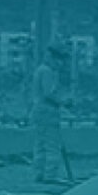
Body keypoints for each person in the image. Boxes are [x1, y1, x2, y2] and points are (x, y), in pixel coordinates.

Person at [30, 47, 72, 184]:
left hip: (39, 111)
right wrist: (64, 102)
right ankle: (51, 175)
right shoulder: (47, 72)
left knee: (40, 145)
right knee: (52, 145)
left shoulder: (40, 70)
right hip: (47, 112)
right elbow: (49, 94)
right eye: (59, 60)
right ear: (53, 58)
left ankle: (39, 173)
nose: (61, 64)